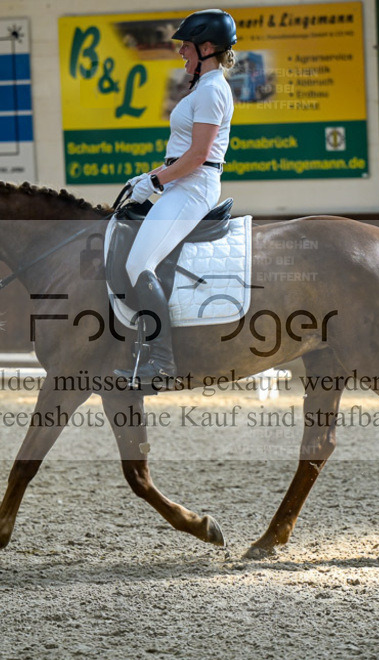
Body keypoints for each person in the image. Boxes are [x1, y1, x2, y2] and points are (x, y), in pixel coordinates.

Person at [115, 9, 237, 387]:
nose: (180, 51)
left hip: (193, 187)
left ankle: (162, 364)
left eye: (186, 45)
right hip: (182, 183)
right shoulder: (202, 88)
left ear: (207, 47)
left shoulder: (213, 90)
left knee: (138, 265)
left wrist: (156, 179)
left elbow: (199, 155)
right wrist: (153, 176)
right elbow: (184, 149)